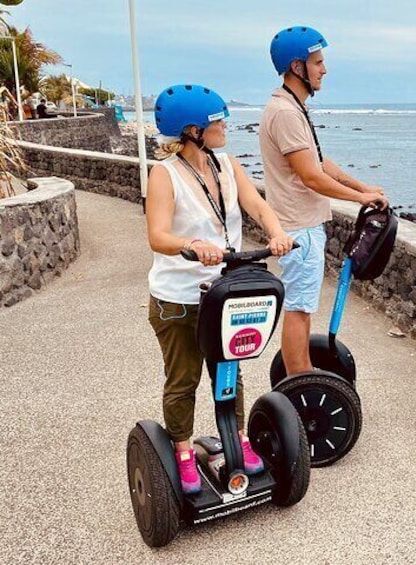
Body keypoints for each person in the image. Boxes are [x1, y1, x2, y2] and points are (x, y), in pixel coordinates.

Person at [146, 83, 295, 494]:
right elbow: (157, 236)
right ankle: (181, 451)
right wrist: (191, 245)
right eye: (216, 120)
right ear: (193, 130)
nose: (224, 125)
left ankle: (240, 438)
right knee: (184, 379)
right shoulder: (165, 175)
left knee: (230, 368)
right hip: (178, 299)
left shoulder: (227, 165)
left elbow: (258, 205)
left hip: (224, 291)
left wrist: (277, 232)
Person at [259, 26, 388, 377]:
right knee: (299, 309)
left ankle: (300, 373)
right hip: (298, 225)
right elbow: (310, 176)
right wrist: (360, 197)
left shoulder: (294, 108)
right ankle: (300, 381)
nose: (324, 70)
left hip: (304, 222)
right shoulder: (285, 112)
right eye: (318, 62)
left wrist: (363, 187)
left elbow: (320, 162)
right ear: (297, 66)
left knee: (302, 306)